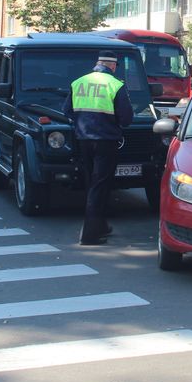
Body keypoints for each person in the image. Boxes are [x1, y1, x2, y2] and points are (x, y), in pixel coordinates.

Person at [63, 51, 134, 245]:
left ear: (98, 63)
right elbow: (126, 119)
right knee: (100, 185)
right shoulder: (115, 84)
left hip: (83, 139)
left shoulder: (78, 82)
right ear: (113, 66)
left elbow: (67, 111)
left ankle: (100, 225)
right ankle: (90, 234)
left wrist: (84, 122)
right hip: (106, 141)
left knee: (92, 184)